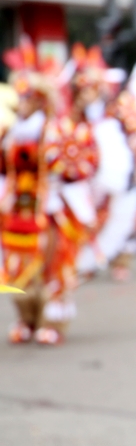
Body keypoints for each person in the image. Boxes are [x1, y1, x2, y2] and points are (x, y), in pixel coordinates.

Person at [2, 39, 99, 345]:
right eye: (21, 96)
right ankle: (26, 318)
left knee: (52, 262)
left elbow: (80, 165)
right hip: (17, 207)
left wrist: (61, 174)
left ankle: (51, 321)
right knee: (17, 264)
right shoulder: (9, 134)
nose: (23, 102)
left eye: (29, 96)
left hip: (50, 208)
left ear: (41, 99)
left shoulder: (58, 132)